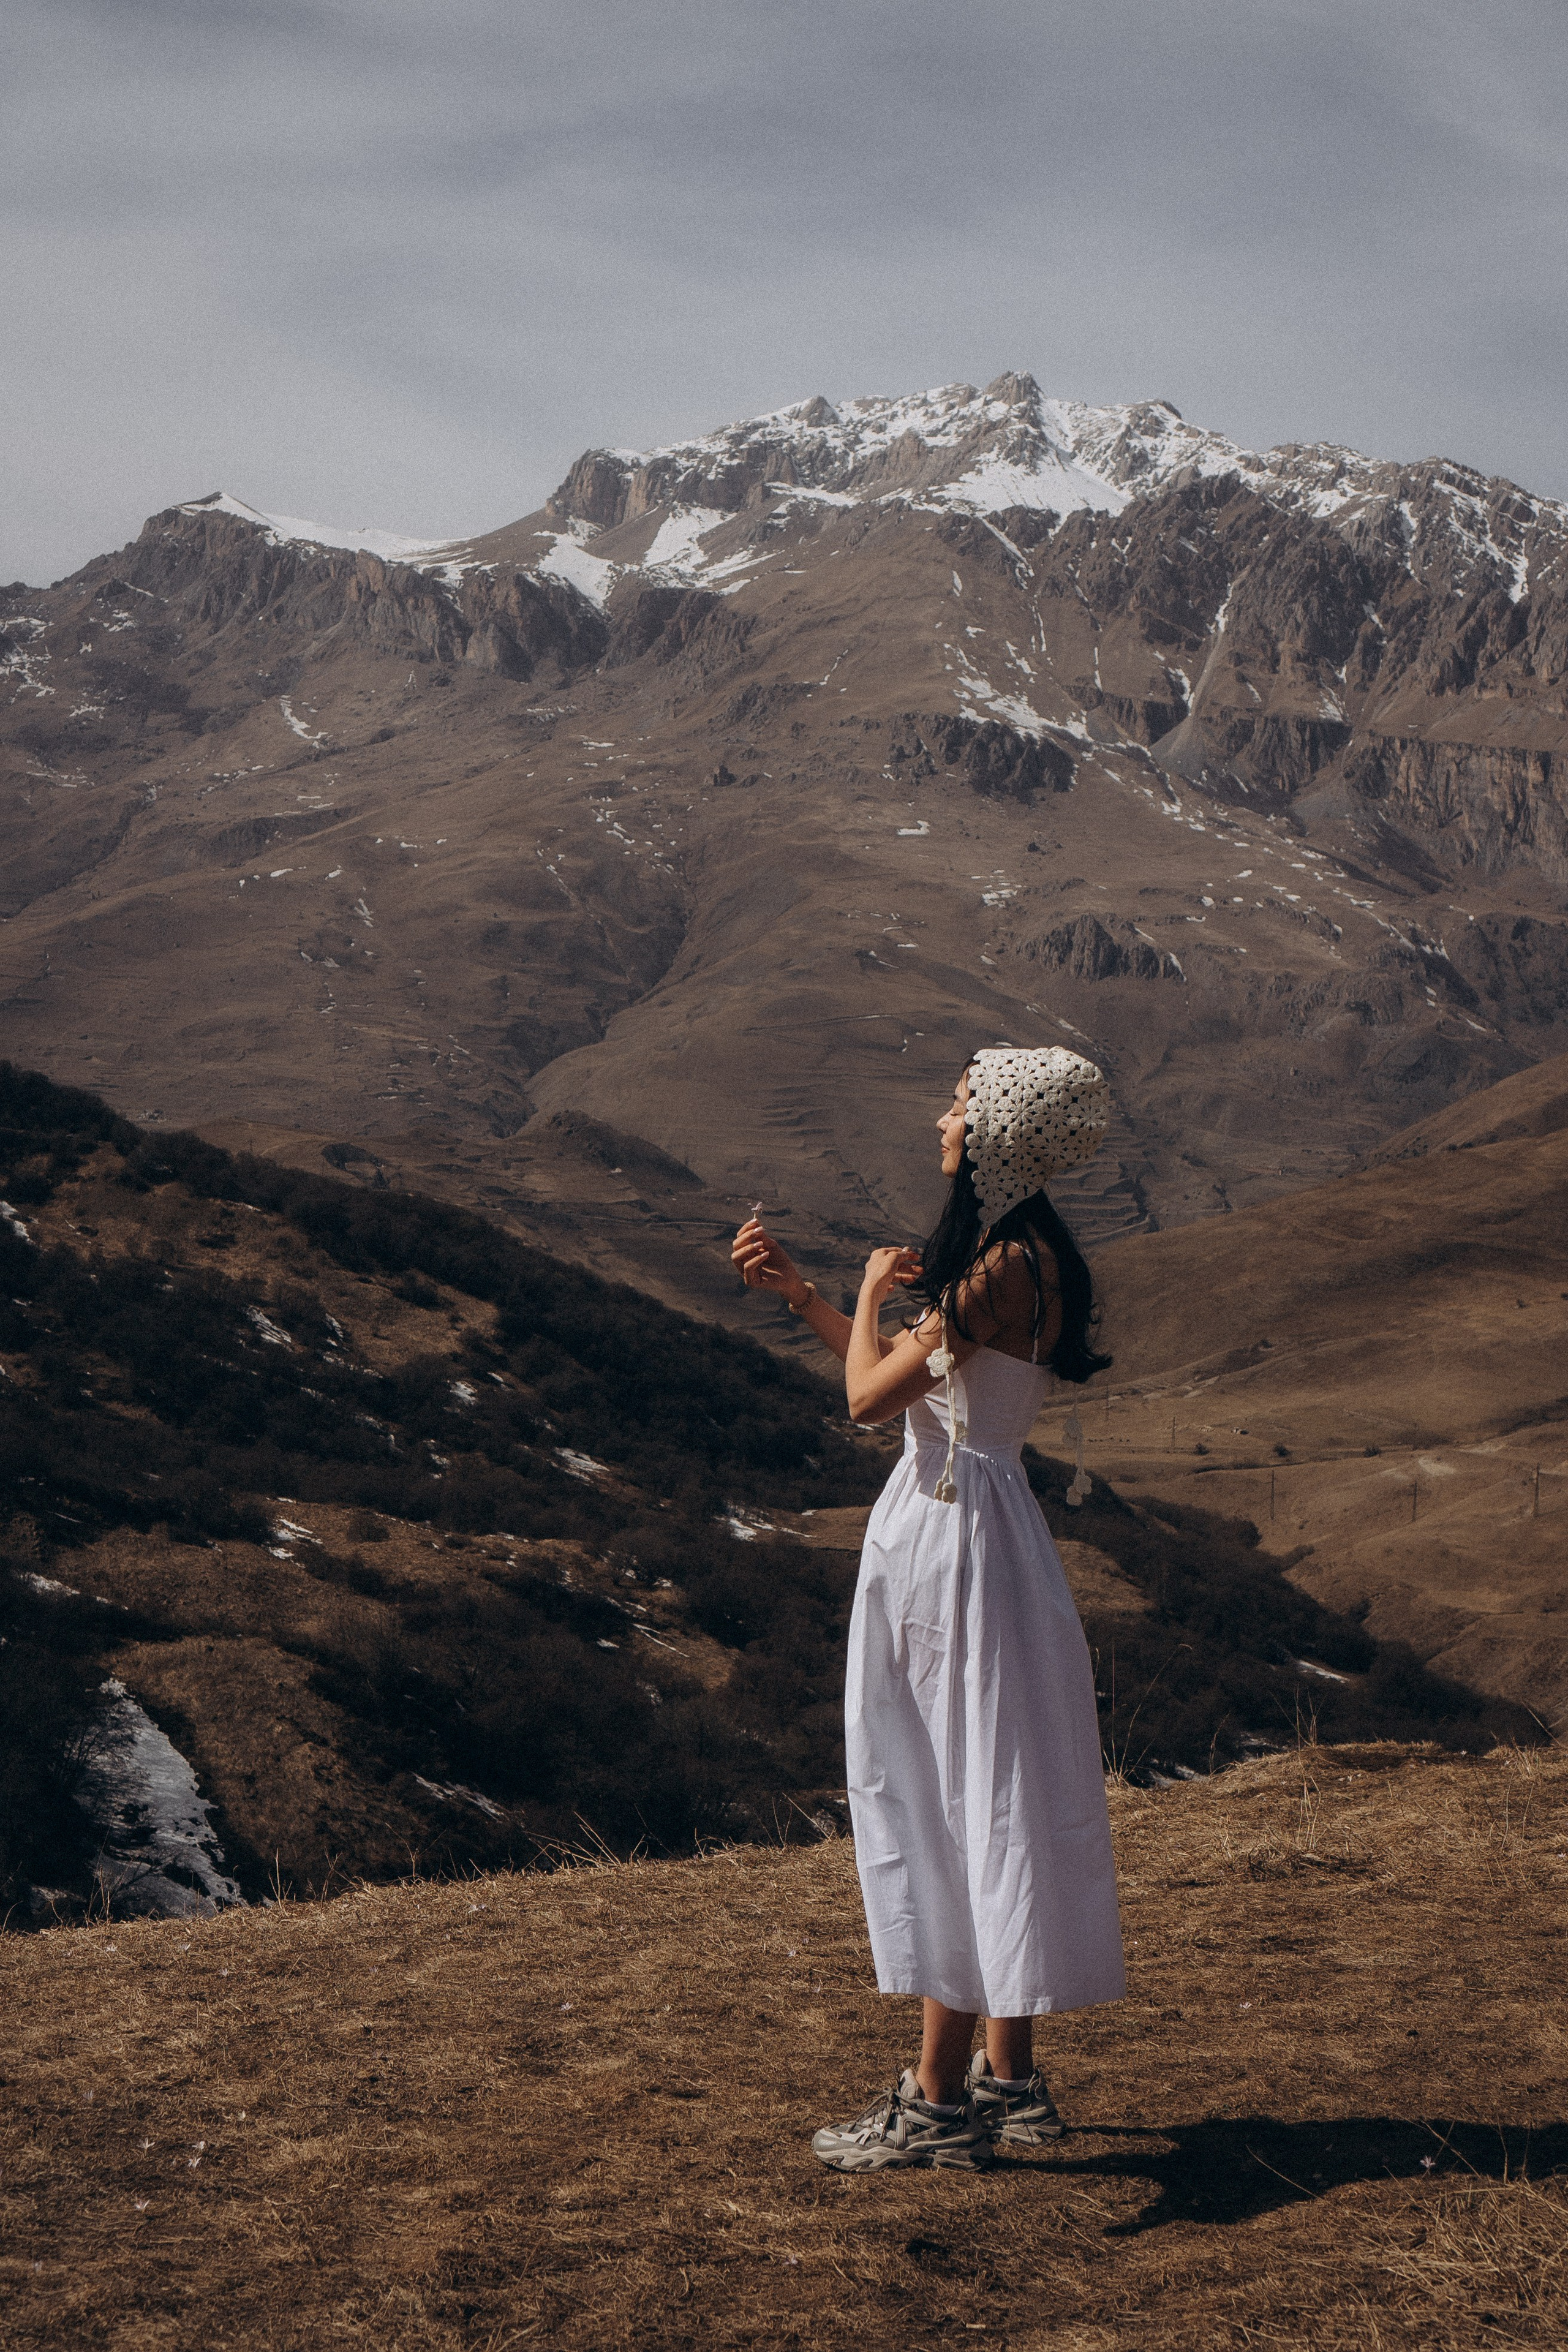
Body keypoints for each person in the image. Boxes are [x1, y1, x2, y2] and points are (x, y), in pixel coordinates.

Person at [731, 1045, 1125, 2172]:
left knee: (952, 1799)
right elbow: (915, 1392)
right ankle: (1008, 2078)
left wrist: (859, 1293)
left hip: (951, 1546)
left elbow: (868, 1400)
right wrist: (810, 1300)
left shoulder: (1000, 1267)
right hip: (981, 1530)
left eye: (959, 1104)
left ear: (1000, 1132)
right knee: (993, 1786)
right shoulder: (1028, 1256)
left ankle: (937, 2102)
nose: (942, 1119)